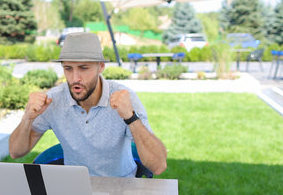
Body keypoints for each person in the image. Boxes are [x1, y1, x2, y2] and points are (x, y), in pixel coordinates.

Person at [9, 32, 167, 177]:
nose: (75, 78)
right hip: (76, 186)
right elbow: (16, 152)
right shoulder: (53, 100)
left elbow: (158, 166)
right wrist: (27, 118)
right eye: (68, 69)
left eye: (83, 68)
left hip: (121, 184)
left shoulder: (124, 97)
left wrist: (131, 117)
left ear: (101, 67)